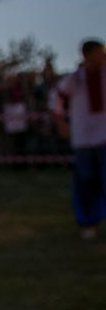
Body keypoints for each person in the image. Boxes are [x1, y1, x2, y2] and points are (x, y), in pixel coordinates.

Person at [55, 39, 106, 240]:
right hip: (83, 138)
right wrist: (61, 124)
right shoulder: (74, 80)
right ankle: (88, 222)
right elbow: (57, 100)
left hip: (104, 137)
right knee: (86, 181)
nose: (103, 56)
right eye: (99, 52)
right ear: (88, 54)